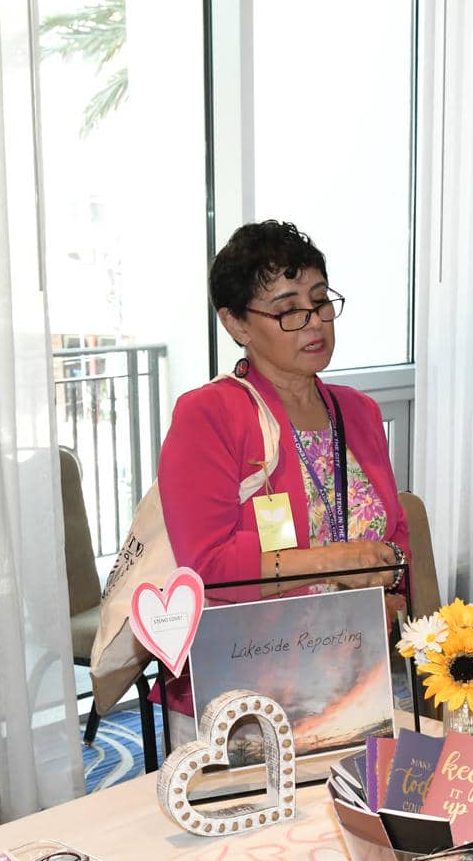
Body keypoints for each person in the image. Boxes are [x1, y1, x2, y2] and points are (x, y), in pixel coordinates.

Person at [159, 220, 411, 605]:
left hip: (363, 638)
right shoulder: (209, 416)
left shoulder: (359, 411)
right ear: (236, 324)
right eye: (289, 309)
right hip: (259, 641)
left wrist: (391, 575)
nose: (315, 321)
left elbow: (396, 535)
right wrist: (332, 562)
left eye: (320, 300)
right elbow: (207, 567)